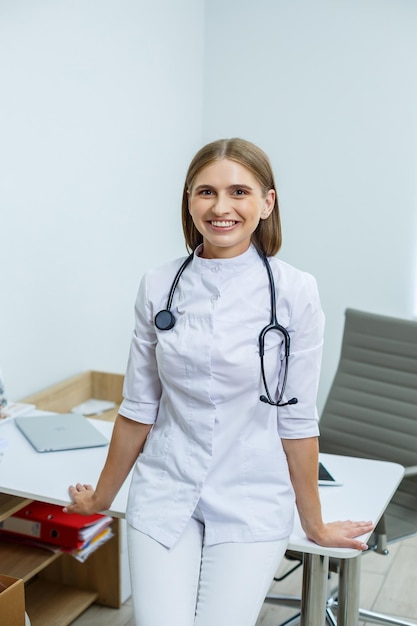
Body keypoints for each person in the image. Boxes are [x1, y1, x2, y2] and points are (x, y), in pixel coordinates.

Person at [65, 138, 373, 626]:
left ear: (267, 203)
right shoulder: (158, 284)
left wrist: (312, 523)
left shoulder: (295, 292)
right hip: (167, 486)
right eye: (206, 192)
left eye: (239, 192)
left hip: (252, 492)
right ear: (189, 200)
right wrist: (101, 499)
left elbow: (296, 418)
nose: (221, 207)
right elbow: (138, 406)